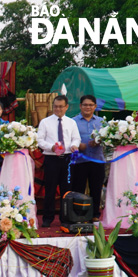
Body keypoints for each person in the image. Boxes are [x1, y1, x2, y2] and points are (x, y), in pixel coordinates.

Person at [37, 95, 81, 228]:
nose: (58, 109)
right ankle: (47, 218)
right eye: (56, 106)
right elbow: (39, 140)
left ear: (66, 107)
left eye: (61, 106)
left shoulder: (71, 122)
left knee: (66, 190)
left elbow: (76, 138)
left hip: (67, 159)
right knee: (49, 189)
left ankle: (65, 218)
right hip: (51, 158)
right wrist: (51, 147)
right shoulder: (45, 122)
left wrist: (74, 145)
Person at [71, 95, 105, 222]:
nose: (88, 107)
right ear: (80, 106)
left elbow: (108, 139)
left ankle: (95, 214)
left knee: (96, 188)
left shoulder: (102, 122)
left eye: (91, 105)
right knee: (78, 189)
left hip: (97, 159)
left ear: (95, 107)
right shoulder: (73, 122)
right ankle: (78, 214)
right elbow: (68, 139)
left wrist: (98, 142)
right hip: (79, 161)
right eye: (85, 105)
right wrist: (79, 145)